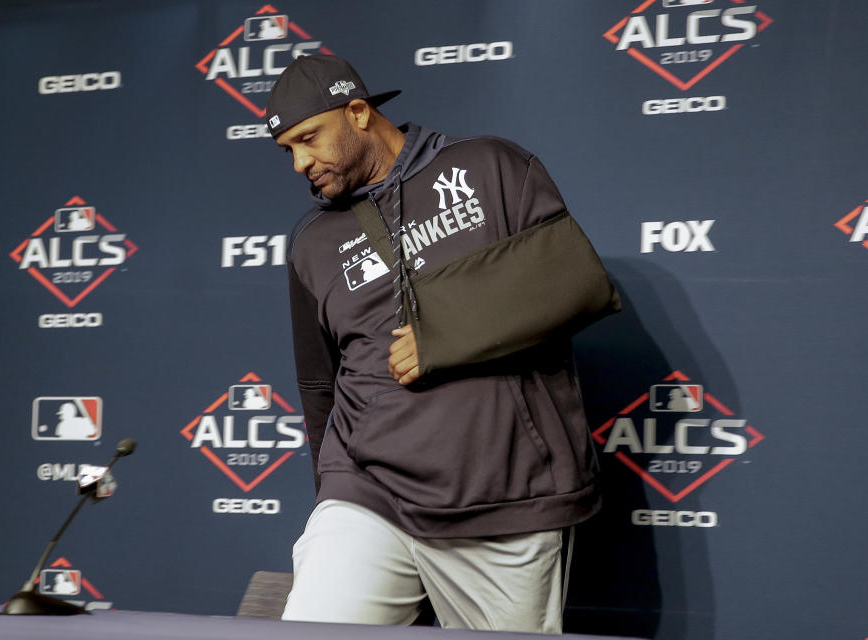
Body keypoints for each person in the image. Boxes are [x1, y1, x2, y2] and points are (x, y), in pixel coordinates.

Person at [265, 54, 618, 633]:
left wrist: (444, 335)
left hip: (502, 494)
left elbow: (574, 283)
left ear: (358, 112)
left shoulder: (488, 166)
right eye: (287, 150)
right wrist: (332, 487)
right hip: (369, 492)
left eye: (308, 139)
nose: (300, 162)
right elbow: (319, 382)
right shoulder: (311, 239)